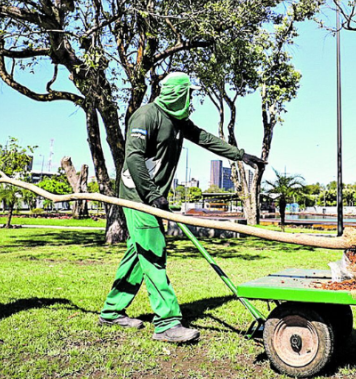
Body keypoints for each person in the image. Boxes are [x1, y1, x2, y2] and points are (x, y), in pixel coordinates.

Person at [98, 72, 265, 344]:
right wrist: (152, 194)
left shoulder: (178, 120)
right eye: (189, 94)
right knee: (154, 252)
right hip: (137, 195)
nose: (192, 99)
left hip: (151, 197)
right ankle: (167, 323)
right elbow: (134, 158)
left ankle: (111, 310)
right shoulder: (146, 115)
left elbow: (204, 138)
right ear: (178, 93)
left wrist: (240, 155)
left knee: (139, 253)